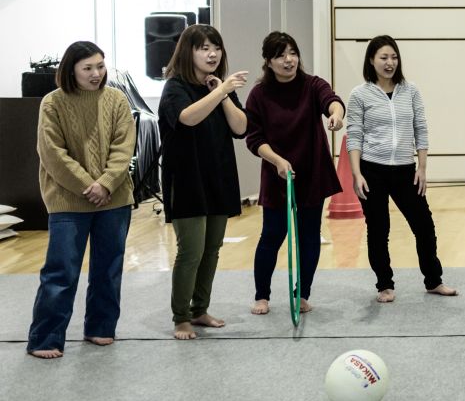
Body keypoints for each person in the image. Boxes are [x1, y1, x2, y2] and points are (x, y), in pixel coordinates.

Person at [27, 42, 136, 358]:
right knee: (61, 271)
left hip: (114, 198)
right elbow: (52, 154)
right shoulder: (52, 103)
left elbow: (123, 147)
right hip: (68, 200)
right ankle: (45, 337)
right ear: (71, 69)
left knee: (108, 267)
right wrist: (90, 185)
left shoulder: (116, 99)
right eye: (87, 67)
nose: (96, 73)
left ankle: (101, 327)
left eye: (100, 66)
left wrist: (105, 183)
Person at [346, 35, 457, 302]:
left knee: (424, 226)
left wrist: (422, 167)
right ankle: (384, 284)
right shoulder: (360, 94)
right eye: (383, 57)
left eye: (394, 57)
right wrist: (356, 173)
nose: (390, 63)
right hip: (372, 170)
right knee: (379, 229)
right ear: (371, 60)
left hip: (406, 170)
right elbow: (354, 134)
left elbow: (420, 128)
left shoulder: (410, 90)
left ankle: (434, 280)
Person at [158, 24, 248, 340]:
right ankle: (181, 316)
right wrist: (220, 91)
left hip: (218, 177)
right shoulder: (174, 87)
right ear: (188, 52)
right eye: (203, 48)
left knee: (212, 249)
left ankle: (200, 310)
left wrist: (221, 92)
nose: (212, 54)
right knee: (191, 251)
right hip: (185, 180)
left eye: (216, 47)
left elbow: (240, 127)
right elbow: (188, 117)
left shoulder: (219, 86)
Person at [245, 31, 345, 315]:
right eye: (280, 55)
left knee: (309, 236)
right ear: (268, 61)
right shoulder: (259, 95)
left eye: (292, 53)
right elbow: (253, 138)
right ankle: (261, 295)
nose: (288, 60)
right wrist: (277, 160)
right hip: (278, 173)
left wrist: (335, 115)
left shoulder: (312, 85)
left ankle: (302, 294)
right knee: (273, 235)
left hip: (311, 171)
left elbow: (332, 100)